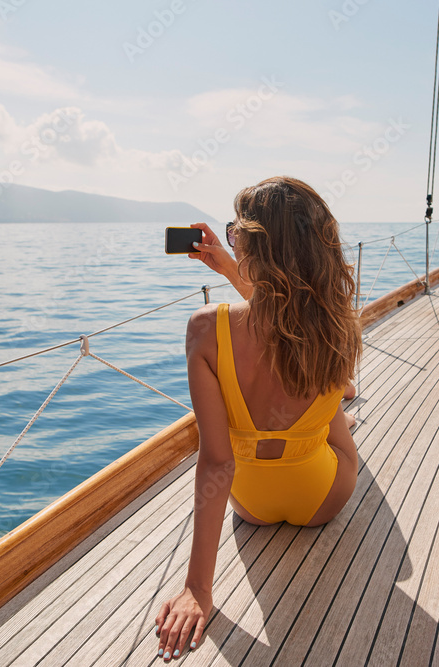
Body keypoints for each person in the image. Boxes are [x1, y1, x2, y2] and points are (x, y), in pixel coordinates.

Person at [154, 177, 361, 661]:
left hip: (250, 503)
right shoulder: (341, 326)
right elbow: (290, 317)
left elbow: (215, 465)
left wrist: (197, 590)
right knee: (334, 407)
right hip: (323, 500)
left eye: (234, 233)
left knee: (313, 400)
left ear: (252, 247)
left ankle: (325, 410)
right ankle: (331, 412)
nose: (230, 239)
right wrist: (230, 265)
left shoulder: (206, 329)